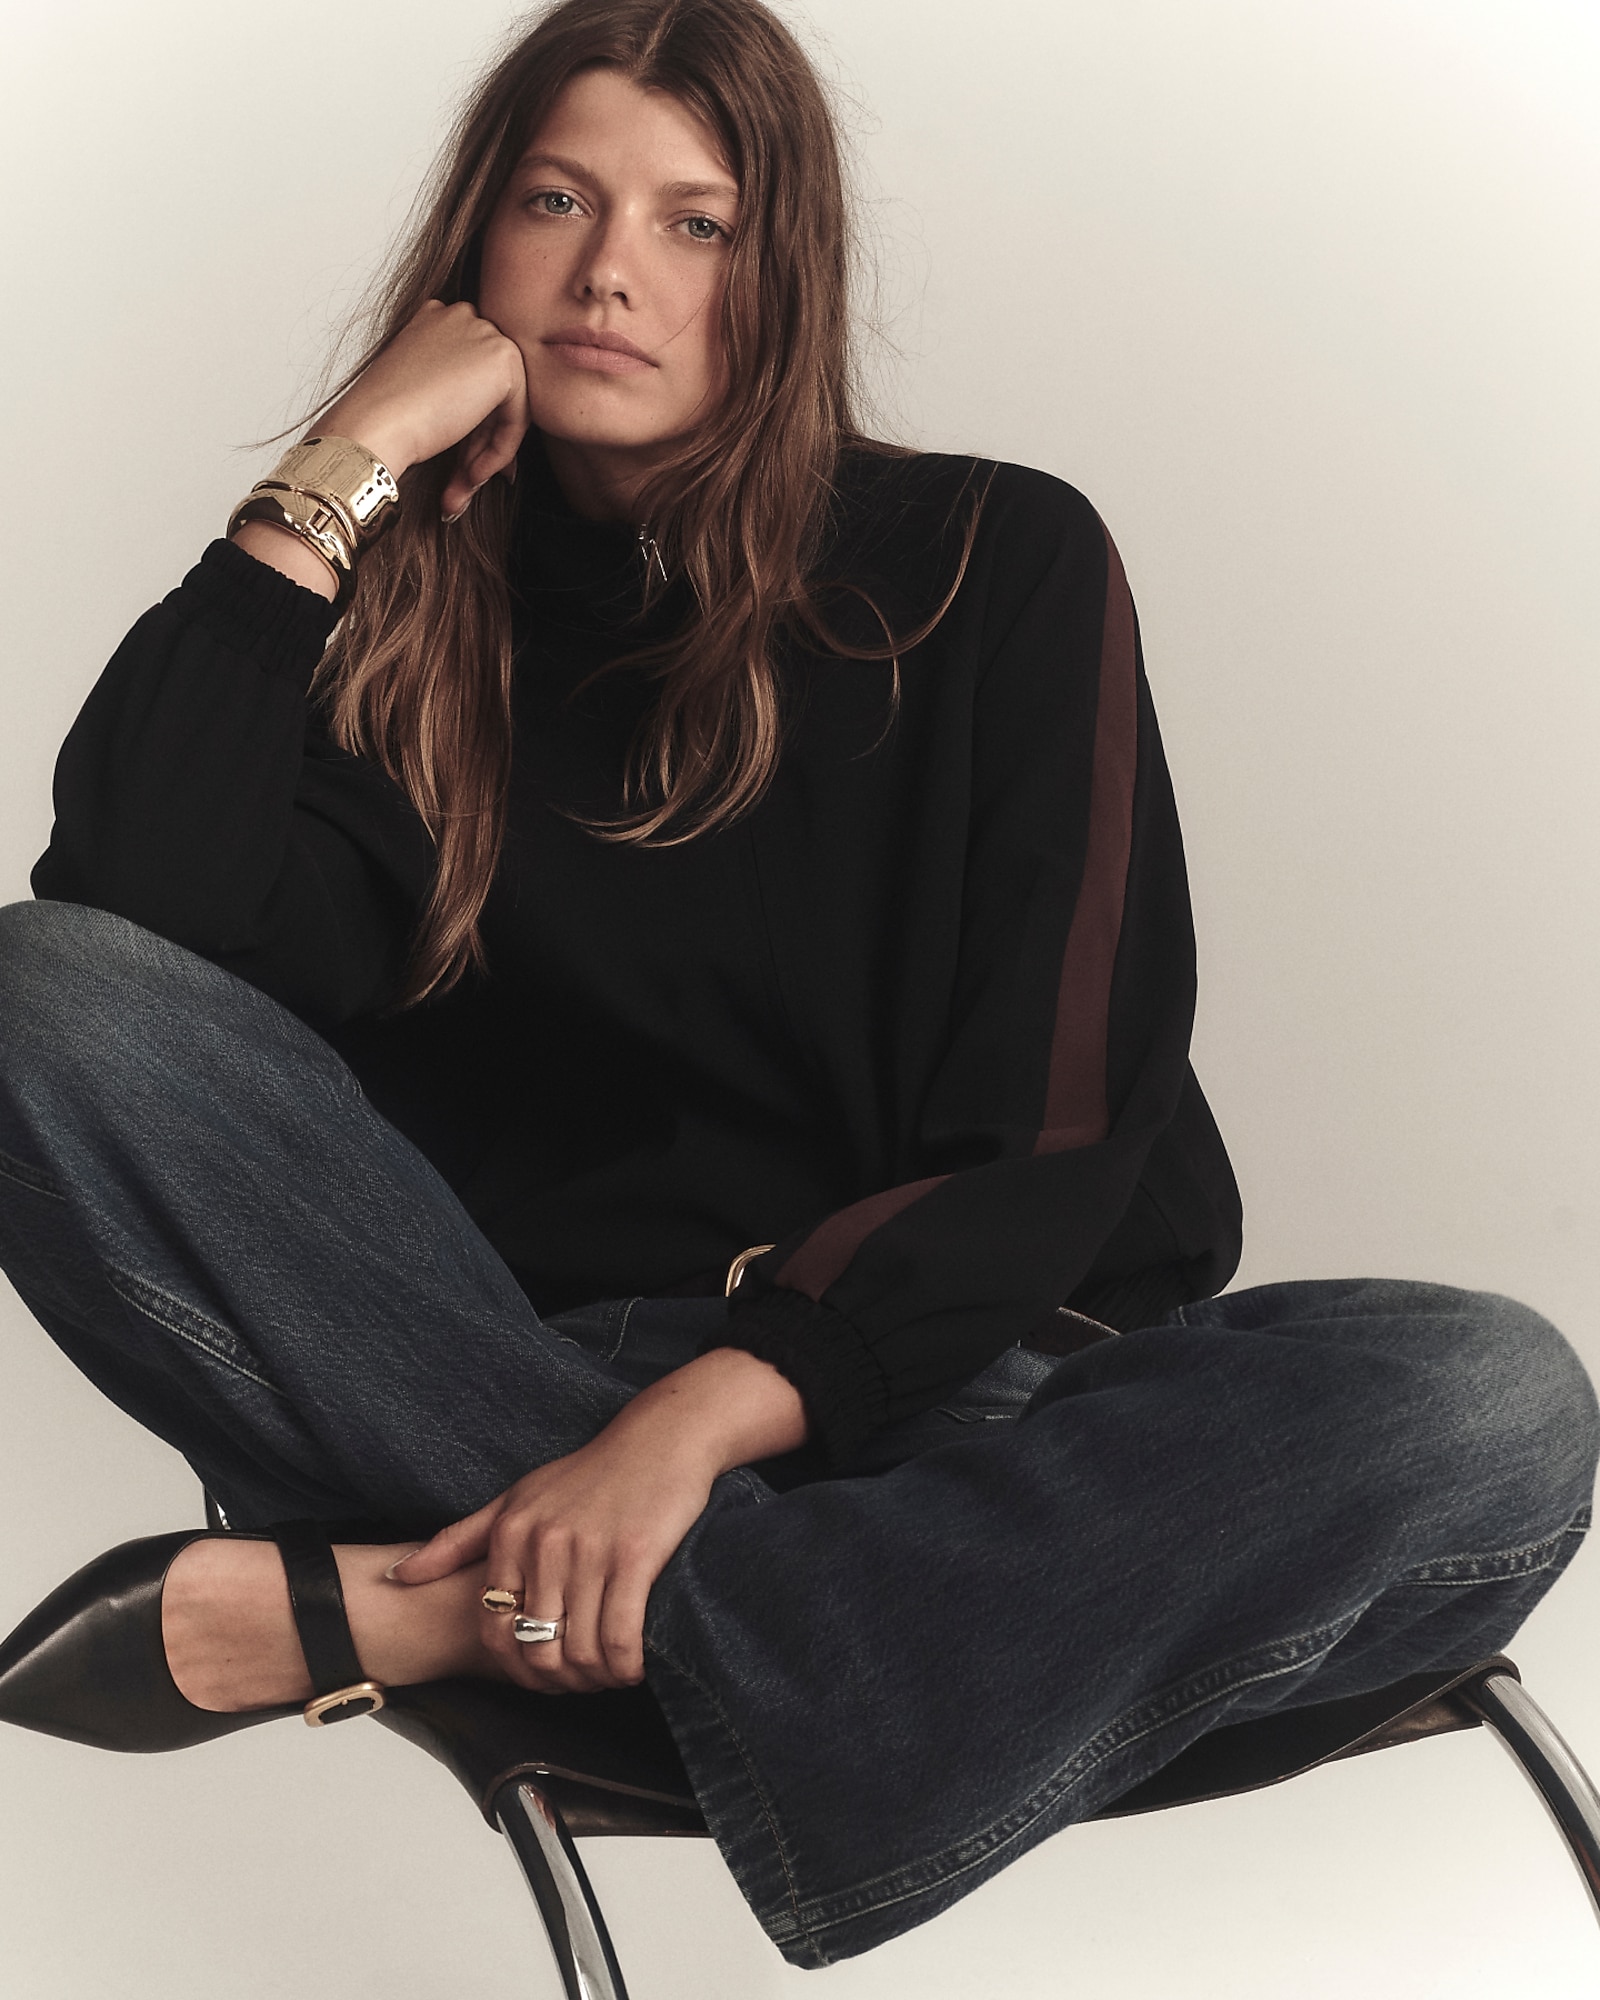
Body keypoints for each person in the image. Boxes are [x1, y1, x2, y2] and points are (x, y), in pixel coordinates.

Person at [0, 0, 1594, 1969]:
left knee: (1484, 1398)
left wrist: (690, 1437)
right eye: (555, 202)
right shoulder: (391, 655)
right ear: (470, 252)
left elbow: (1058, 1120)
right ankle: (695, 1615)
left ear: (785, 276)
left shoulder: (987, 560)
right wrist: (337, 473)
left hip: (974, 1405)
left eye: (697, 224)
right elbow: (131, 914)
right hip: (509, 1407)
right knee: (38, 990)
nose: (606, 272)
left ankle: (427, 1611)